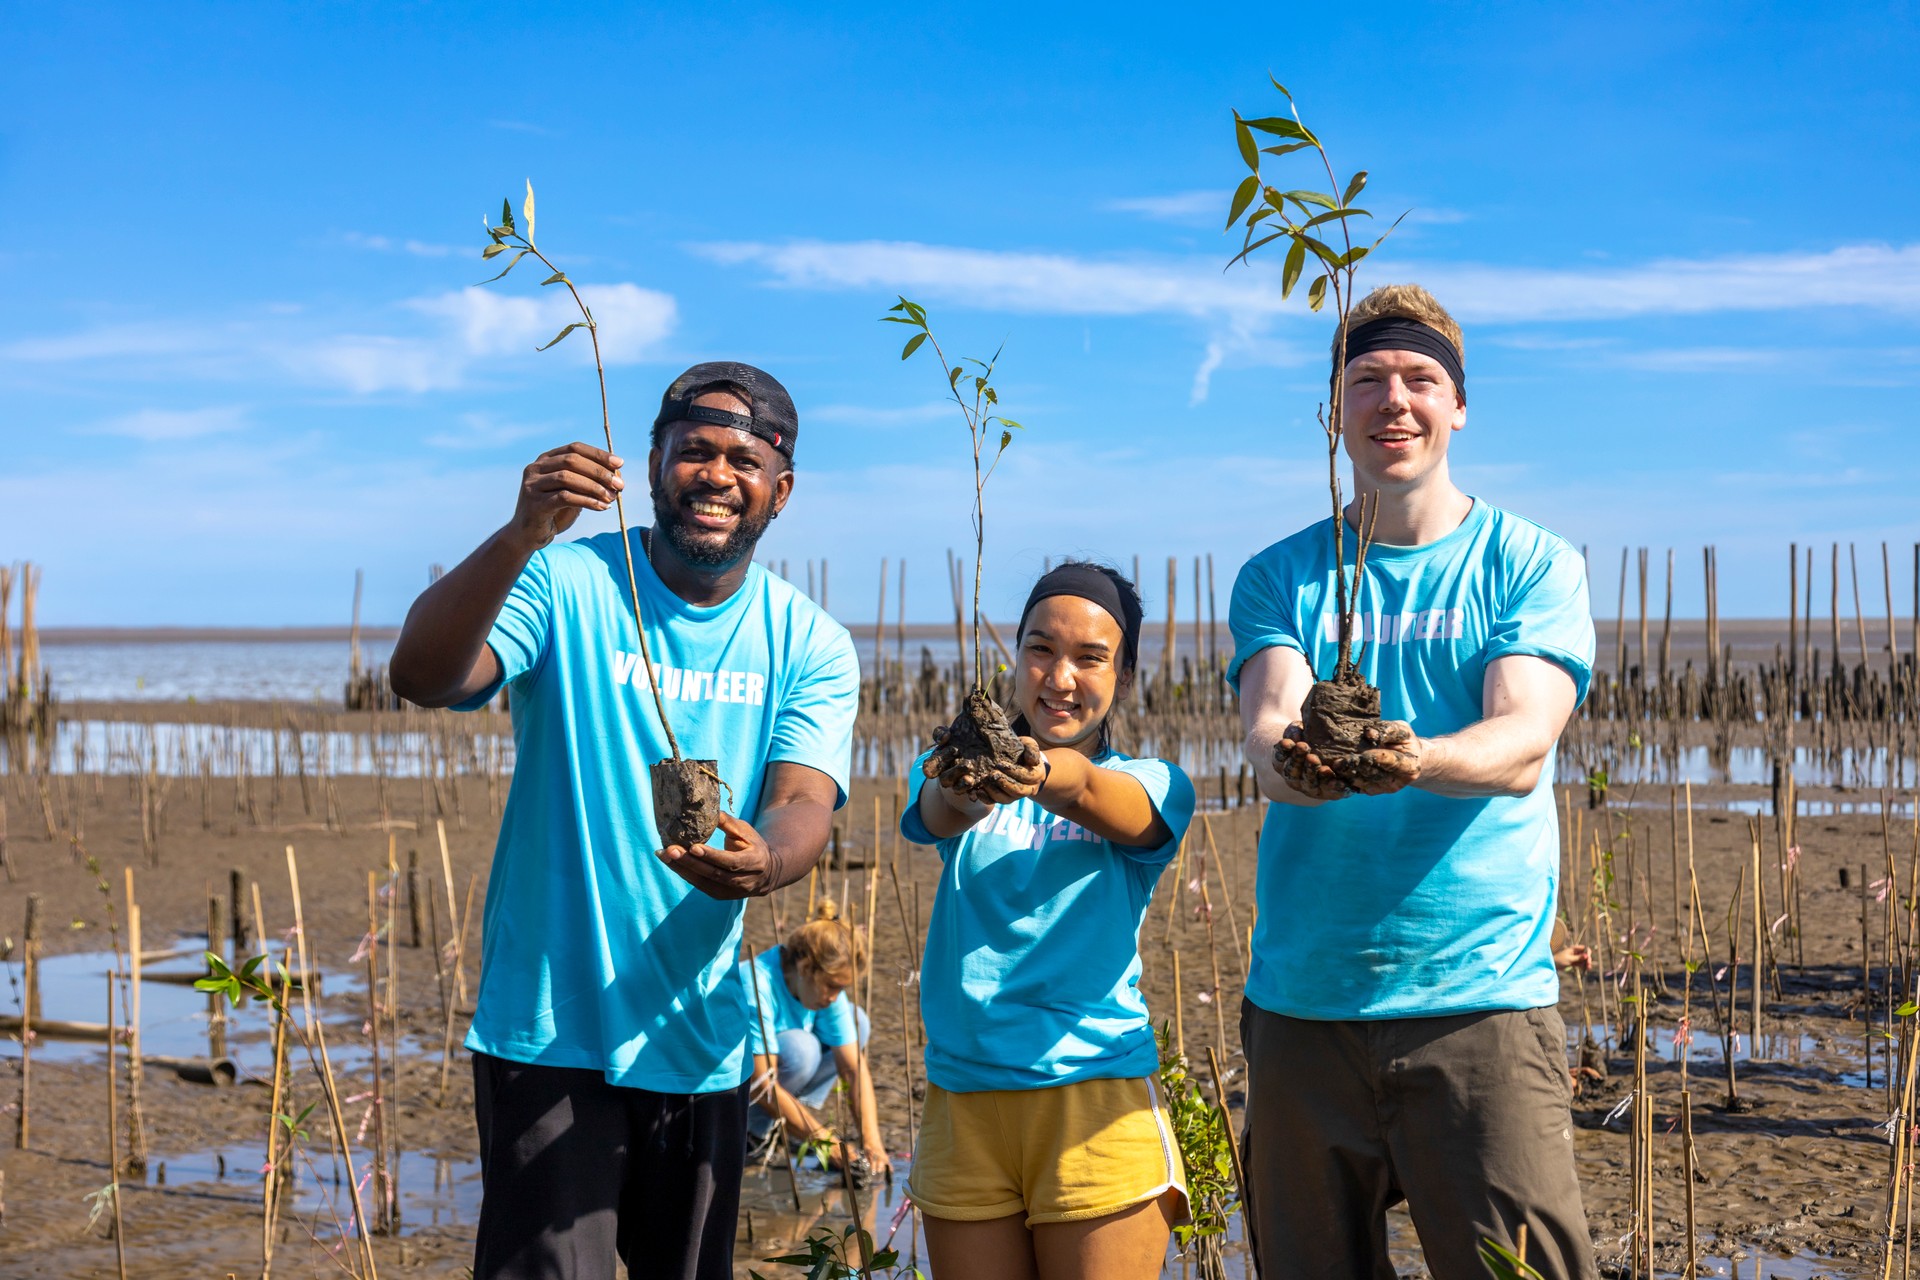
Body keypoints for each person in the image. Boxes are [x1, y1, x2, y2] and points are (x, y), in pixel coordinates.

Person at [388, 362, 860, 1280]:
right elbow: (423, 676)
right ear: (650, 463)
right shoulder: (563, 580)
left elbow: (804, 802)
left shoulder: (811, 640)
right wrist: (522, 532)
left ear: (781, 490)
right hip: (548, 1030)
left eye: (742, 459)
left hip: (702, 1038)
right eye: (693, 451)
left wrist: (765, 864)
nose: (717, 476)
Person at [1229, 284, 1599, 1279]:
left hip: (1478, 999)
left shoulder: (1530, 561)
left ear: (1459, 405)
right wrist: (1300, 765)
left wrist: (1411, 759)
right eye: (1367, 380)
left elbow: (1523, 739)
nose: (1394, 399)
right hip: (1304, 1003)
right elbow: (1270, 723)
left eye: (1420, 379)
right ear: (1332, 412)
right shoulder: (1280, 574)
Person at [901, 562, 1196, 1280]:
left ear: (1123, 677)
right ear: (1017, 658)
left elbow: (1096, 793)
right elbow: (942, 810)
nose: (1060, 677)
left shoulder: (1156, 784)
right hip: (961, 1099)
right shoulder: (952, 770)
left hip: (1093, 1099)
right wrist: (976, 779)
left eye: (1091, 658)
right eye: (1041, 649)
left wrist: (1035, 770)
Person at [740, 899, 887, 1180]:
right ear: (806, 967)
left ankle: (796, 1128)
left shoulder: (822, 986)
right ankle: (755, 1135)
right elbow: (762, 1084)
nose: (835, 997)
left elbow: (853, 1070)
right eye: (832, 987)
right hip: (743, 1096)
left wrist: (872, 1143)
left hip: (784, 1084)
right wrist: (826, 1143)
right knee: (802, 1050)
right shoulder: (755, 985)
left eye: (841, 988)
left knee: (859, 1022)